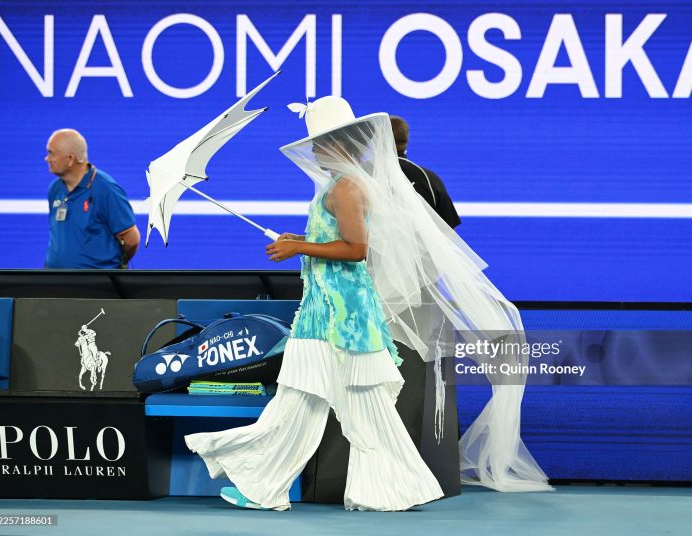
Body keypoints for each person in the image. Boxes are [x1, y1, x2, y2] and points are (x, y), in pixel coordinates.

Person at [184, 96, 445, 512]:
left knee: (309, 402)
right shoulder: (344, 183)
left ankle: (263, 486)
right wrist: (298, 242)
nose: (316, 150)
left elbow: (357, 248)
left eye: (321, 143)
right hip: (335, 311)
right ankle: (388, 487)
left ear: (338, 144)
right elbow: (336, 242)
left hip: (337, 316)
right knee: (323, 403)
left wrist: (298, 248)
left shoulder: (345, 186)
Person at [45, 129, 140, 269]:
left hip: (97, 286)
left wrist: (110, 267)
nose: (47, 159)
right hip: (56, 282)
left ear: (71, 159)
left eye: (51, 153)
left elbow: (131, 240)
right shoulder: (55, 189)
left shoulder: (105, 189)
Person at [390, 115, 461, 229]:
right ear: (406, 141)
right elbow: (448, 230)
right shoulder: (430, 179)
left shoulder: (363, 176)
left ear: (378, 139)